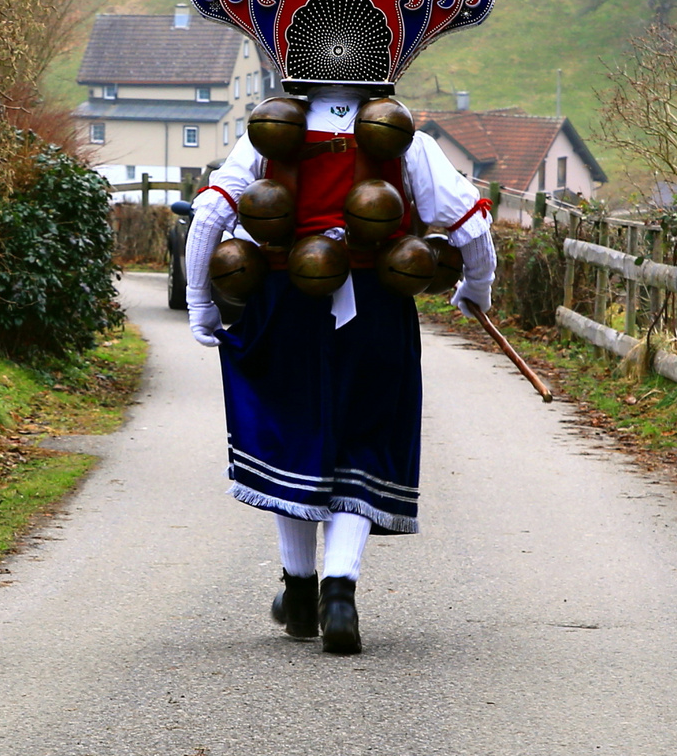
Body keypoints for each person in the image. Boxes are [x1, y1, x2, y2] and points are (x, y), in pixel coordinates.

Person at [185, 85, 496, 653]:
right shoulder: (409, 143)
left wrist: (200, 300)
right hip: (377, 308)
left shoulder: (269, 134)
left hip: (282, 307)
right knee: (364, 439)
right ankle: (340, 594)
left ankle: (299, 593)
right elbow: (472, 225)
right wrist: (478, 288)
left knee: (290, 441)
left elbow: (208, 215)